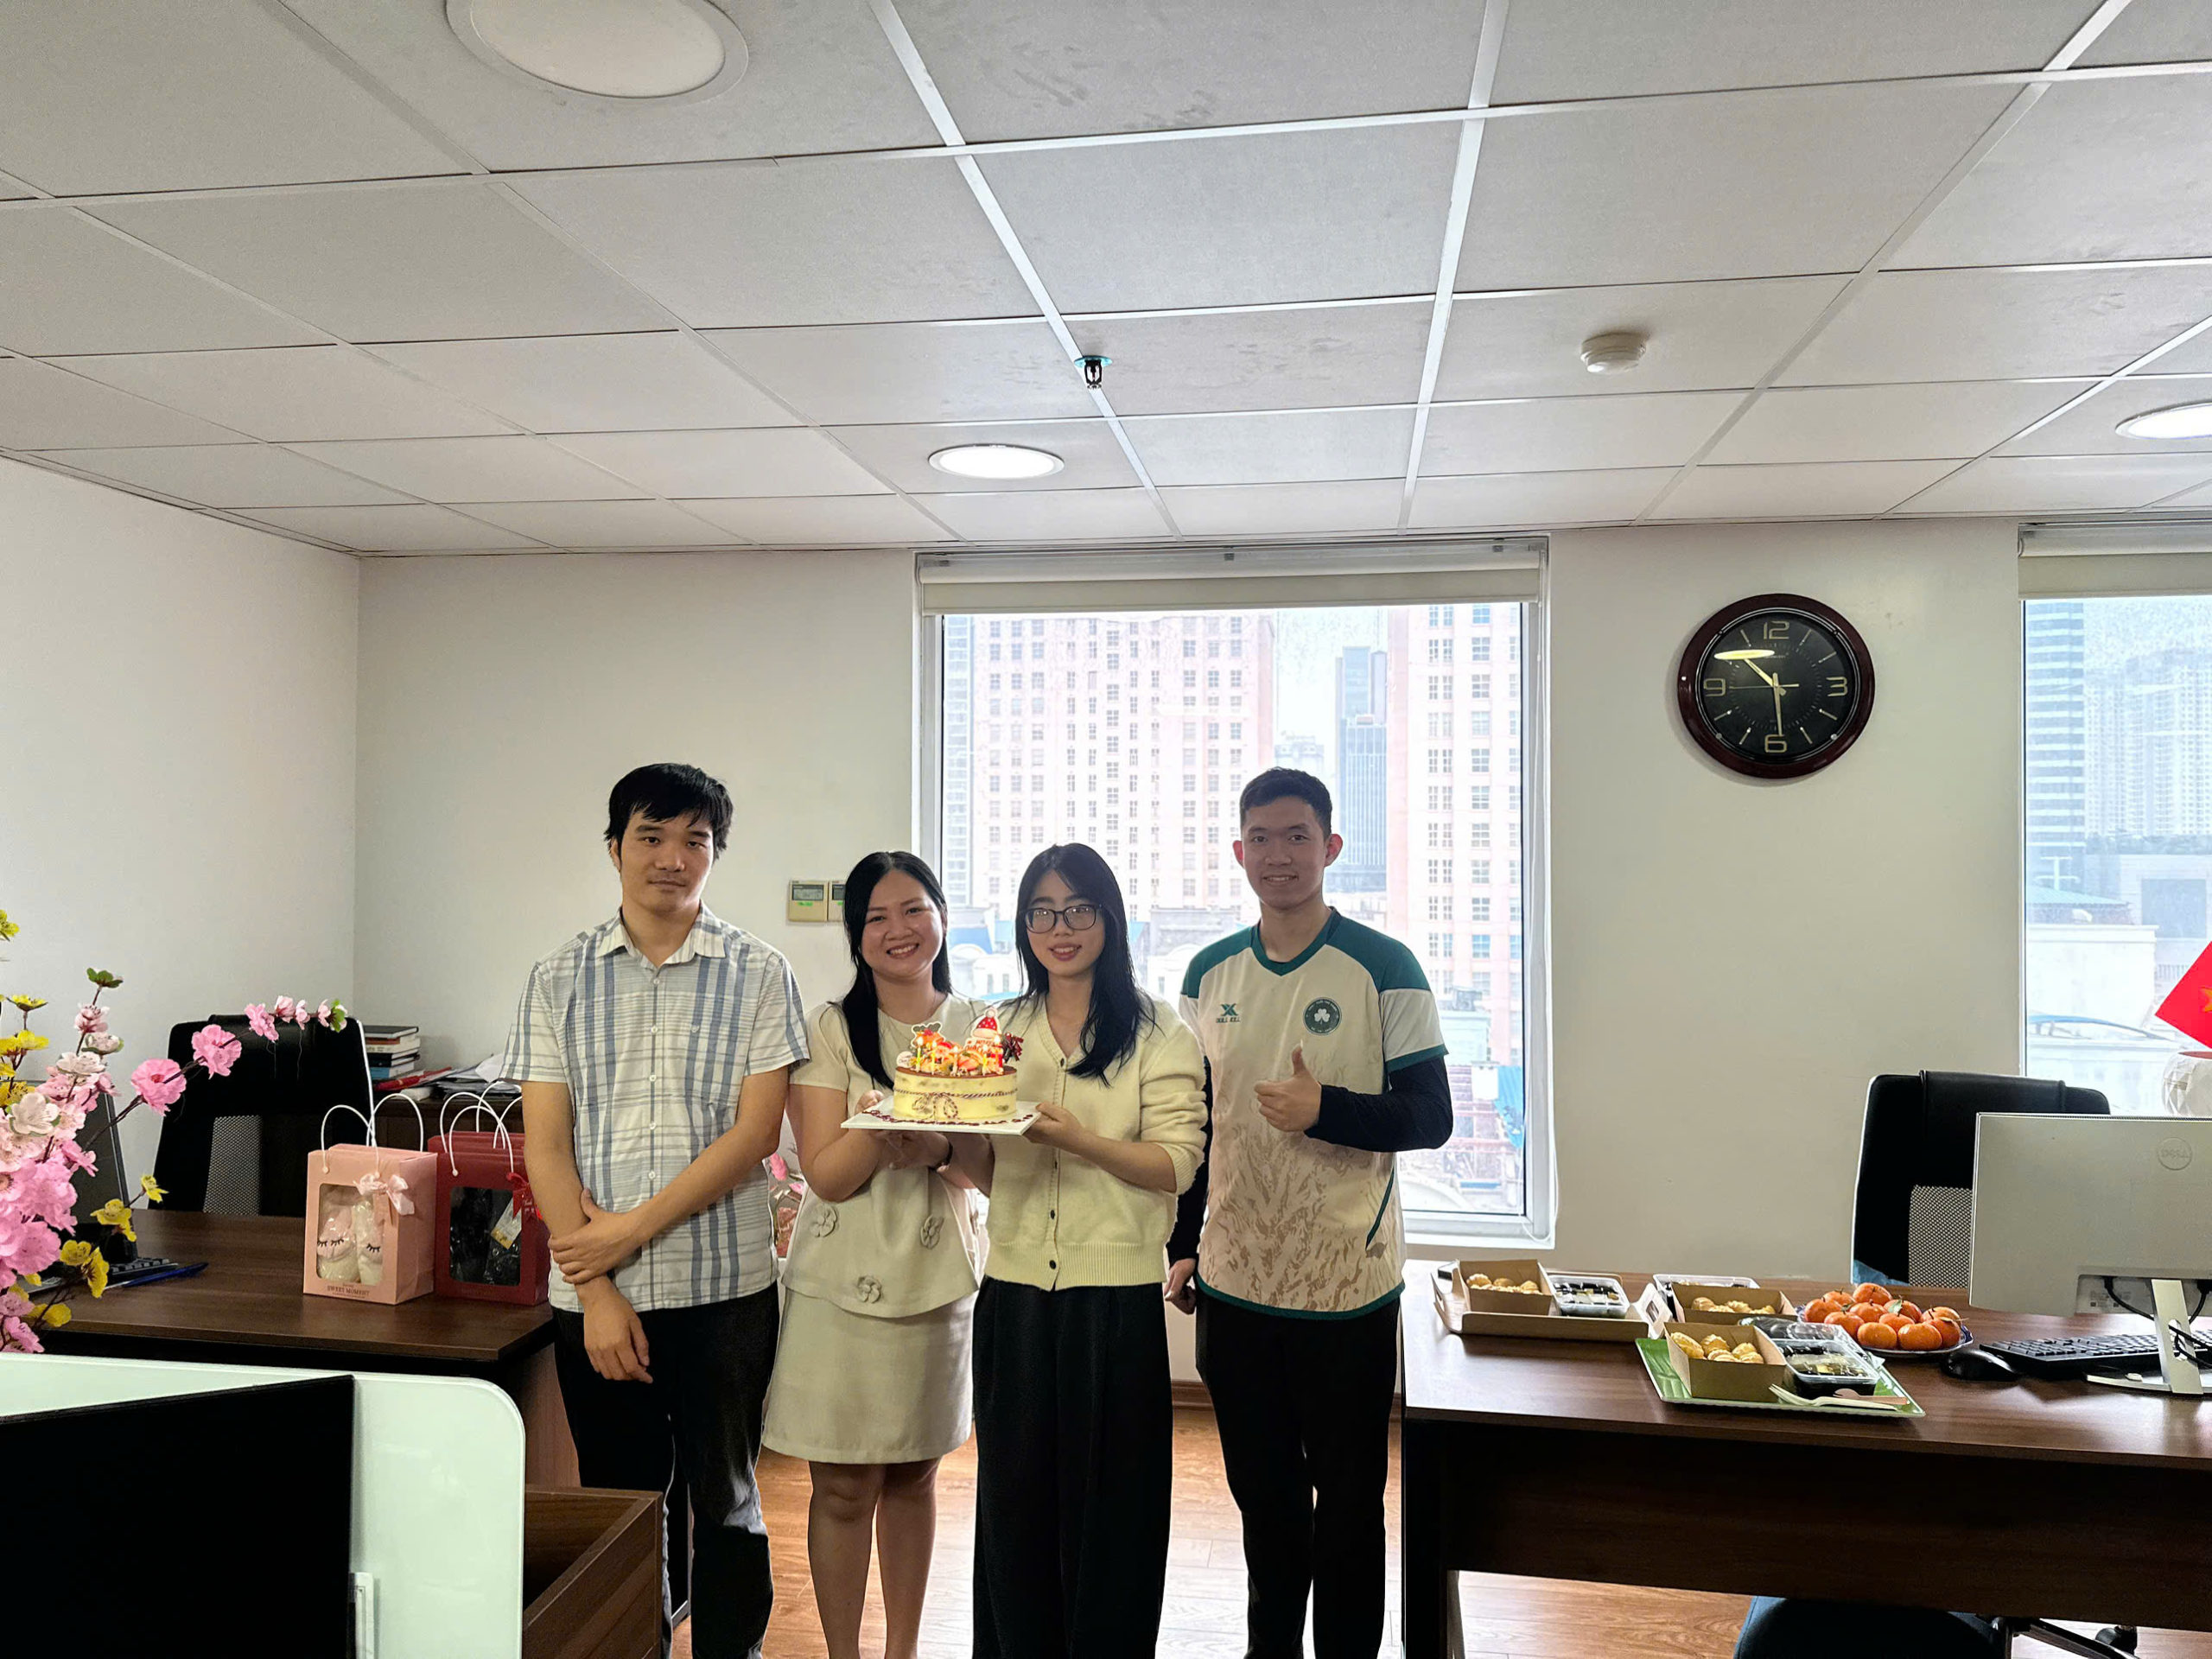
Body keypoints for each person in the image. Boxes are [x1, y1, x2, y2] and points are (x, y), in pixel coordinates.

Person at [508, 762, 805, 1659]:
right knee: (622, 1506)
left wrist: (628, 1232)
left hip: (724, 1290)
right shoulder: (557, 977)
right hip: (601, 1302)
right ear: (614, 848)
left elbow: (756, 1134)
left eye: (695, 841)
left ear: (715, 854)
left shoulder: (760, 972)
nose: (673, 858)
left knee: (728, 1499)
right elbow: (545, 1147)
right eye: (651, 836)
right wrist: (597, 1291)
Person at [1167, 767, 1453, 1659]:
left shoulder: (1383, 967)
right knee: (1264, 1498)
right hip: (1235, 1284)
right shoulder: (1206, 973)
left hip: (1344, 1290)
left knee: (1350, 1501)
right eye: (1261, 837)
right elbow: (1197, 1122)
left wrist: (1324, 1107)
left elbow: (1431, 1117)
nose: (1278, 855)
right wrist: (1182, 1244)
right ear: (1238, 851)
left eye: (1297, 836)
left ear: (1330, 847)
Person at [961, 842, 1207, 1659]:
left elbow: (1177, 1164)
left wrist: (1081, 1141)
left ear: (1109, 917)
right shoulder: (997, 1029)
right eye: (1041, 911)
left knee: (1115, 1513)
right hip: (1013, 1293)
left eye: (1077, 909)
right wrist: (934, 1142)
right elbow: (991, 1171)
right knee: (1013, 1506)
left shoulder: (1158, 1030)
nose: (1059, 928)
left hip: (1114, 1302)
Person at [760, 850, 982, 1659]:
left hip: (936, 1278)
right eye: (877, 917)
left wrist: (929, 1147)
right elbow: (827, 1174)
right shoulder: (828, 1028)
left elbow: (983, 1167)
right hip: (838, 1287)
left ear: (942, 917)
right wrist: (897, 1120)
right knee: (844, 1484)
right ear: (856, 936)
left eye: (915, 909)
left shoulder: (975, 1027)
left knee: (916, 1476)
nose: (899, 929)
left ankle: (903, 1651)